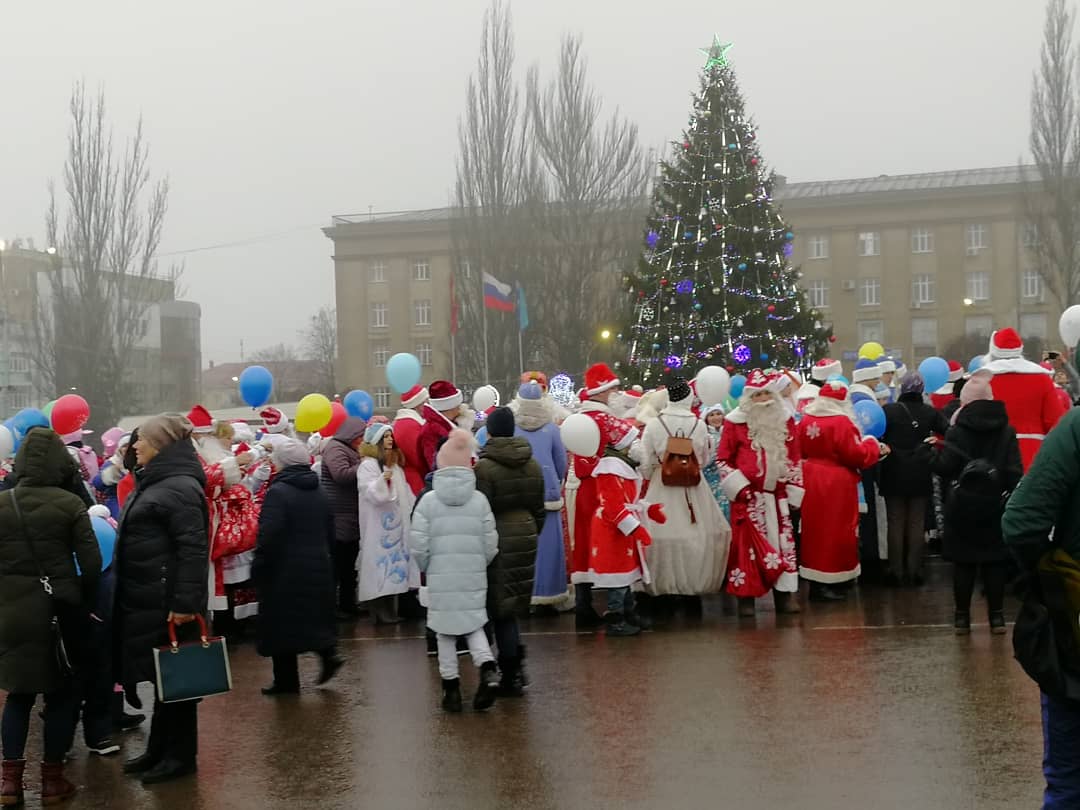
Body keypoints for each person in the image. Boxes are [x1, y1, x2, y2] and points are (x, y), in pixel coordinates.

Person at [0, 428, 101, 806]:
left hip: (11, 611)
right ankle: (52, 780)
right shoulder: (69, 504)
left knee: (18, 695)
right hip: (59, 611)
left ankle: (9, 783)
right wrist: (83, 601)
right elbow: (91, 563)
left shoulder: (2, 502)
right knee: (60, 695)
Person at [1001, 358, 1080, 806]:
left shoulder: (1074, 430)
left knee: (1069, 778)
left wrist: (1051, 576)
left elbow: (1022, 522)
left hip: (1076, 619)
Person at [113, 414, 208, 785]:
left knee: (178, 682)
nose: (135, 445)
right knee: (164, 680)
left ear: (162, 445)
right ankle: (159, 750)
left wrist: (185, 603)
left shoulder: (179, 487)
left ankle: (181, 757)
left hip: (170, 604)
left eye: (143, 440)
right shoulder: (157, 481)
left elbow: (193, 550)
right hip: (150, 598)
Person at [410, 429, 501, 713]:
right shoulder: (480, 500)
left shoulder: (428, 502)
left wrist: (426, 567)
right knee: (474, 624)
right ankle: (486, 665)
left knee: (444, 633)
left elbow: (419, 544)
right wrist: (480, 563)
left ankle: (451, 690)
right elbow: (490, 542)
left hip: (440, 574)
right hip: (473, 572)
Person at [927, 370, 1022, 634]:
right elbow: (1015, 471)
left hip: (963, 505)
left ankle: (961, 619)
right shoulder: (1007, 430)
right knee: (994, 562)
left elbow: (946, 467)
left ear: (966, 402)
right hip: (995, 506)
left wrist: (931, 457)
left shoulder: (958, 431)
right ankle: (997, 618)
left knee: (964, 563)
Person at [253, 438, 344, 695]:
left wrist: (259, 566)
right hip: (317, 565)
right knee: (313, 618)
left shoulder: (277, 493)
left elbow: (268, 535)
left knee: (280, 625)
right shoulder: (319, 491)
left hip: (283, 570)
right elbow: (330, 531)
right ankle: (328, 654)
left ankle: (286, 681)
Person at [638, 377, 730, 614]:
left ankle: (664, 593)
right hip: (693, 487)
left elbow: (645, 461)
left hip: (662, 484)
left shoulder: (654, 424)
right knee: (696, 536)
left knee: (661, 535)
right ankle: (692, 592)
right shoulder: (699, 425)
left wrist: (656, 472)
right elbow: (705, 457)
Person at [716, 369, 803, 617]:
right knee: (748, 551)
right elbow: (723, 459)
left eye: (767, 393)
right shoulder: (734, 423)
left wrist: (795, 488)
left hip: (777, 498)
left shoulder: (785, 419)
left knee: (782, 548)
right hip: (748, 498)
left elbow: (795, 456)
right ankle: (747, 599)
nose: (763, 399)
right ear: (748, 399)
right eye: (758, 395)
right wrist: (740, 487)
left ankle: (784, 596)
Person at [474, 407, 545, 696]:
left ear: (488, 431)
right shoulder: (533, 464)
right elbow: (539, 509)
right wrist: (529, 531)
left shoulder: (484, 469)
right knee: (511, 606)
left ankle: (503, 670)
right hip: (526, 536)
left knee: (494, 608)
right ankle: (515, 669)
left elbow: (480, 510)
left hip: (495, 540)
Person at [797, 379, 885, 601]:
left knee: (815, 531)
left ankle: (817, 581)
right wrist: (872, 445)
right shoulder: (841, 422)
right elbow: (855, 454)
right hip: (836, 482)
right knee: (837, 532)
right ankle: (831, 581)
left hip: (811, 478)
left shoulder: (806, 419)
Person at [569, 363, 641, 629]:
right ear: (603, 391)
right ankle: (621, 611)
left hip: (581, 490)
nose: (618, 393)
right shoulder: (605, 419)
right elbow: (634, 446)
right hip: (606, 488)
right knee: (616, 546)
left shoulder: (578, 418)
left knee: (585, 545)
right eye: (614, 389)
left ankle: (583, 608)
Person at [879, 372, 948, 586]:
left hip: (893, 471)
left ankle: (895, 571)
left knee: (895, 521)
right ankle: (915, 570)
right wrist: (934, 441)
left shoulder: (888, 411)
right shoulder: (929, 412)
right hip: (920, 471)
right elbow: (949, 431)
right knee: (917, 522)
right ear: (921, 389)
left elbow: (877, 435)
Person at [512, 382, 570, 612]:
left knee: (523, 548)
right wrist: (555, 481)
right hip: (548, 493)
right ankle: (551, 594)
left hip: (520, 492)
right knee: (550, 546)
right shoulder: (553, 430)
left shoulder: (513, 430)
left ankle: (525, 596)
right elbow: (561, 463)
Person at [356, 423, 419, 624]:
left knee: (396, 569)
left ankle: (390, 610)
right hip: (377, 526)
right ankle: (379, 610)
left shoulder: (394, 467)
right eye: (386, 437)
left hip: (396, 526)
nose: (390, 440)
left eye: (391, 436)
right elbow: (374, 494)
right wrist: (383, 480)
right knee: (379, 567)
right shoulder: (368, 466)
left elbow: (405, 493)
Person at [985, 327, 1066, 471]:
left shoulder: (983, 380)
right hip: (1034, 455)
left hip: (992, 456)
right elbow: (1056, 423)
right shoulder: (1042, 379)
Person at [319, 417, 368, 620]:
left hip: (348, 515)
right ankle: (335, 608)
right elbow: (341, 474)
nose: (362, 440)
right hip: (338, 516)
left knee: (348, 565)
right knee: (338, 566)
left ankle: (348, 605)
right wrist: (364, 466)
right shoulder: (335, 448)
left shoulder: (344, 448)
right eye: (360, 436)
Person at [418, 380, 475, 480]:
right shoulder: (430, 431)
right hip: (447, 485)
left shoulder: (453, 424)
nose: (460, 407)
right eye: (458, 404)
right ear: (451, 406)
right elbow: (434, 466)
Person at [393, 385, 429, 496]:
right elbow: (418, 459)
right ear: (418, 404)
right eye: (426, 402)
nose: (428, 405)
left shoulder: (405, 423)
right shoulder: (409, 425)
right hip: (414, 481)